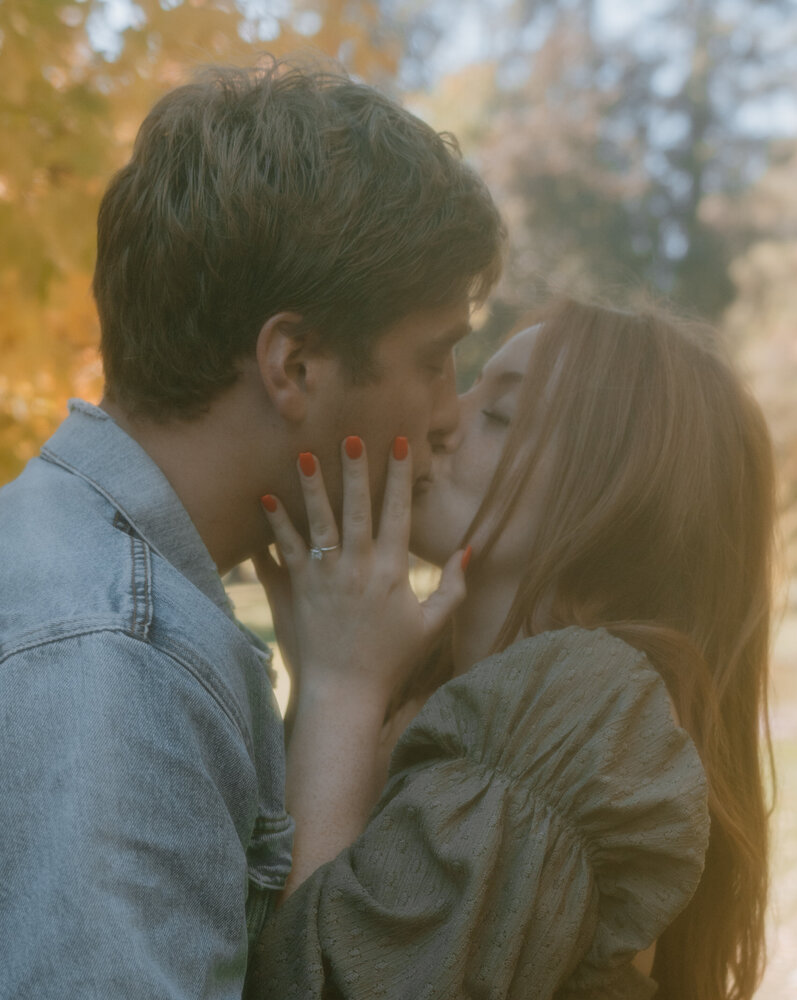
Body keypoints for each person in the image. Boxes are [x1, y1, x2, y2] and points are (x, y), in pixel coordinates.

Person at [0, 59, 504, 997]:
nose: (449, 415)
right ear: (295, 363)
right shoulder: (118, 661)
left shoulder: (80, 572)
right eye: (434, 360)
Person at [249, 298, 776, 999]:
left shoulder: (583, 710)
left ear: (623, 511)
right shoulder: (438, 690)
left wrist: (338, 690)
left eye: (497, 417)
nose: (440, 419)